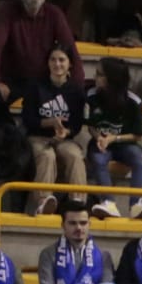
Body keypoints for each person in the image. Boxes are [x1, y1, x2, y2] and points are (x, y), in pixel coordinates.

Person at [0, 0, 82, 124]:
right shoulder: (8, 12)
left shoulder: (54, 14)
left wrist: (76, 86)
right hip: (13, 80)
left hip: (44, 82)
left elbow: (71, 51)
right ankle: (10, 131)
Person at [21, 46, 88, 213]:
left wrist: (66, 132)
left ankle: (78, 202)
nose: (57, 64)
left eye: (61, 60)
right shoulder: (35, 87)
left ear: (70, 64)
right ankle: (43, 202)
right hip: (38, 137)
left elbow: (77, 124)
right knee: (47, 155)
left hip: (65, 138)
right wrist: (49, 122)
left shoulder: (76, 90)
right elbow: (28, 120)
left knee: (74, 155)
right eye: (53, 60)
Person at [84, 58, 142, 214]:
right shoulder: (91, 95)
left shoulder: (133, 102)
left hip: (124, 143)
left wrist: (114, 138)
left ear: (112, 79)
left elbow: (138, 135)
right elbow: (90, 125)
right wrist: (98, 136)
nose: (95, 77)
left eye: (99, 74)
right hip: (100, 142)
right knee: (98, 159)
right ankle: (108, 202)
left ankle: (136, 203)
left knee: (139, 158)